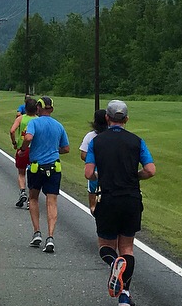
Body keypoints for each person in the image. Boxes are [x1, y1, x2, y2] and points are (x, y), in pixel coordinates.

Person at [84, 99, 155, 306]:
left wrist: (102, 175)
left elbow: (89, 173)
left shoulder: (96, 142)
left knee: (106, 246)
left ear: (107, 118)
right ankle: (125, 295)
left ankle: (114, 264)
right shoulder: (137, 141)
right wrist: (136, 176)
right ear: (126, 119)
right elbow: (150, 170)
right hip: (131, 198)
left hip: (109, 197)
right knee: (127, 247)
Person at [21, 95, 70, 253]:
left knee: (33, 197)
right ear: (52, 109)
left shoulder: (34, 122)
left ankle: (37, 232)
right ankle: (50, 236)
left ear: (38, 108)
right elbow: (66, 148)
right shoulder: (58, 126)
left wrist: (23, 149)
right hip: (54, 167)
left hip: (36, 167)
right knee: (52, 201)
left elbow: (28, 137)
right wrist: (54, 150)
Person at [8, 96, 38, 208]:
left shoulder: (21, 118)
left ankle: (22, 192)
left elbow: (12, 130)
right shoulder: (38, 120)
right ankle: (31, 198)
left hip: (22, 148)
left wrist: (14, 142)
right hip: (35, 150)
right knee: (33, 173)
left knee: (21, 172)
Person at [79, 109, 108, 213]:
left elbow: (83, 155)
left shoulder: (90, 136)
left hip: (94, 171)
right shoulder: (112, 135)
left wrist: (92, 159)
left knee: (93, 201)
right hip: (111, 171)